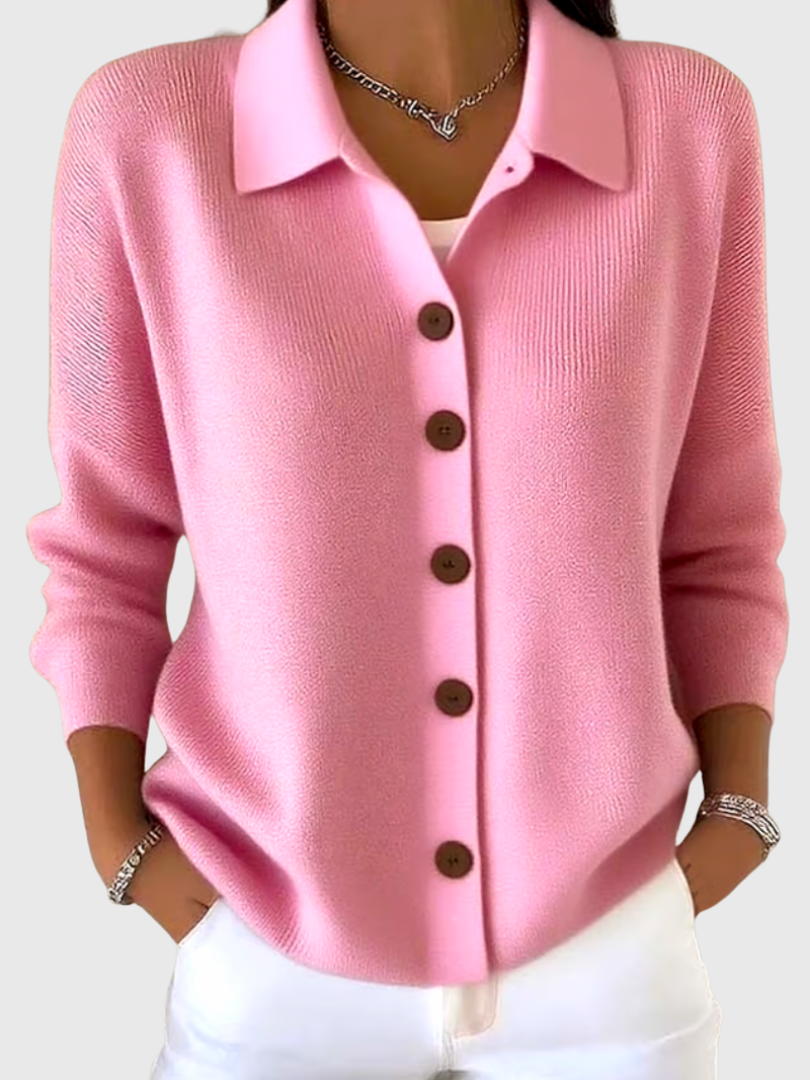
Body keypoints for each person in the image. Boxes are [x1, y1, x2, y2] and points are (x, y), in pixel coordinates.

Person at [26, 0, 787, 1077]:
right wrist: (119, 842)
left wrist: (740, 812)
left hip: (610, 956)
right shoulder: (151, 133)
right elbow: (106, 543)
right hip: (271, 948)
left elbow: (718, 530)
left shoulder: (685, 126)